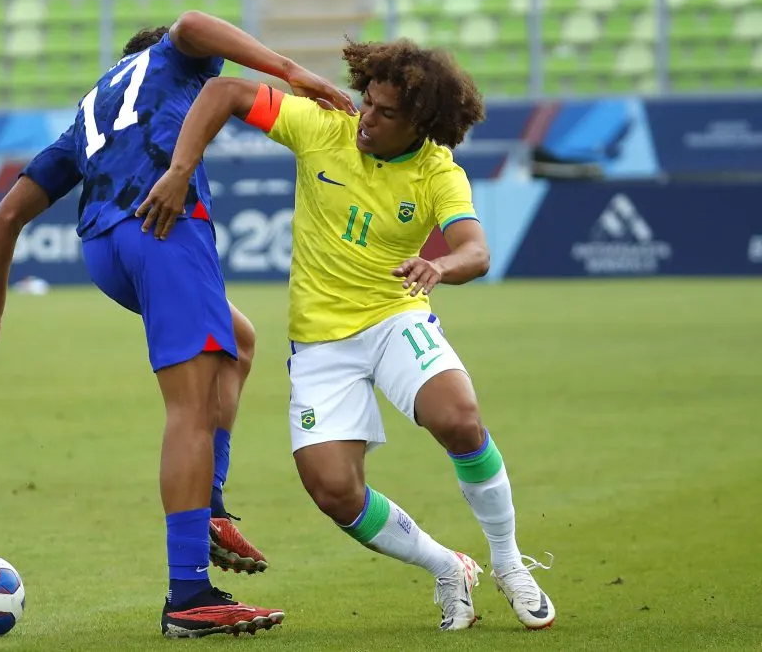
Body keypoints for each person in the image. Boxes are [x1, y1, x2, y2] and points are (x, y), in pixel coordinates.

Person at [0, 11, 355, 638]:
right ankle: (190, 596)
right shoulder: (172, 63)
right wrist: (291, 71)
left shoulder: (90, 116)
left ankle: (209, 507)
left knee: (239, 342)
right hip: (164, 226)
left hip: (105, 251)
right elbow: (193, 22)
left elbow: (3, 219)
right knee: (191, 410)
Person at [140, 38, 556, 632]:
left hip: (394, 318)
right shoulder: (324, 127)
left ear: (423, 125)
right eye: (369, 103)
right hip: (320, 343)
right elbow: (224, 91)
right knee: (334, 490)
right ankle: (447, 566)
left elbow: (476, 250)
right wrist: (180, 171)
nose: (368, 120)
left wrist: (438, 266)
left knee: (460, 418)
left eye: (387, 114)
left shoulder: (437, 171)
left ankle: (510, 563)